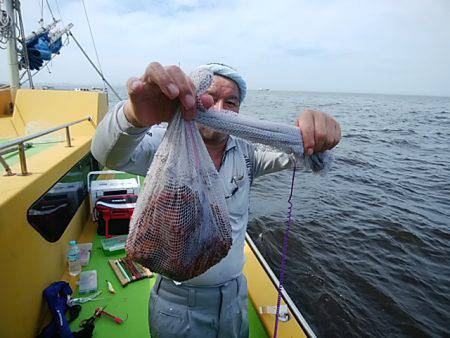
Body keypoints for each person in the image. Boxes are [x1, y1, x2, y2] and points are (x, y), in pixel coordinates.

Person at [91, 62, 341, 337]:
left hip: (234, 297)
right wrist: (133, 116)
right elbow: (108, 154)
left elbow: (299, 154)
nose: (220, 110)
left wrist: (314, 134)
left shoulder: (247, 154)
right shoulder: (165, 145)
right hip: (178, 301)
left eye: (231, 102)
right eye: (211, 98)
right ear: (192, 99)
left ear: (238, 111)